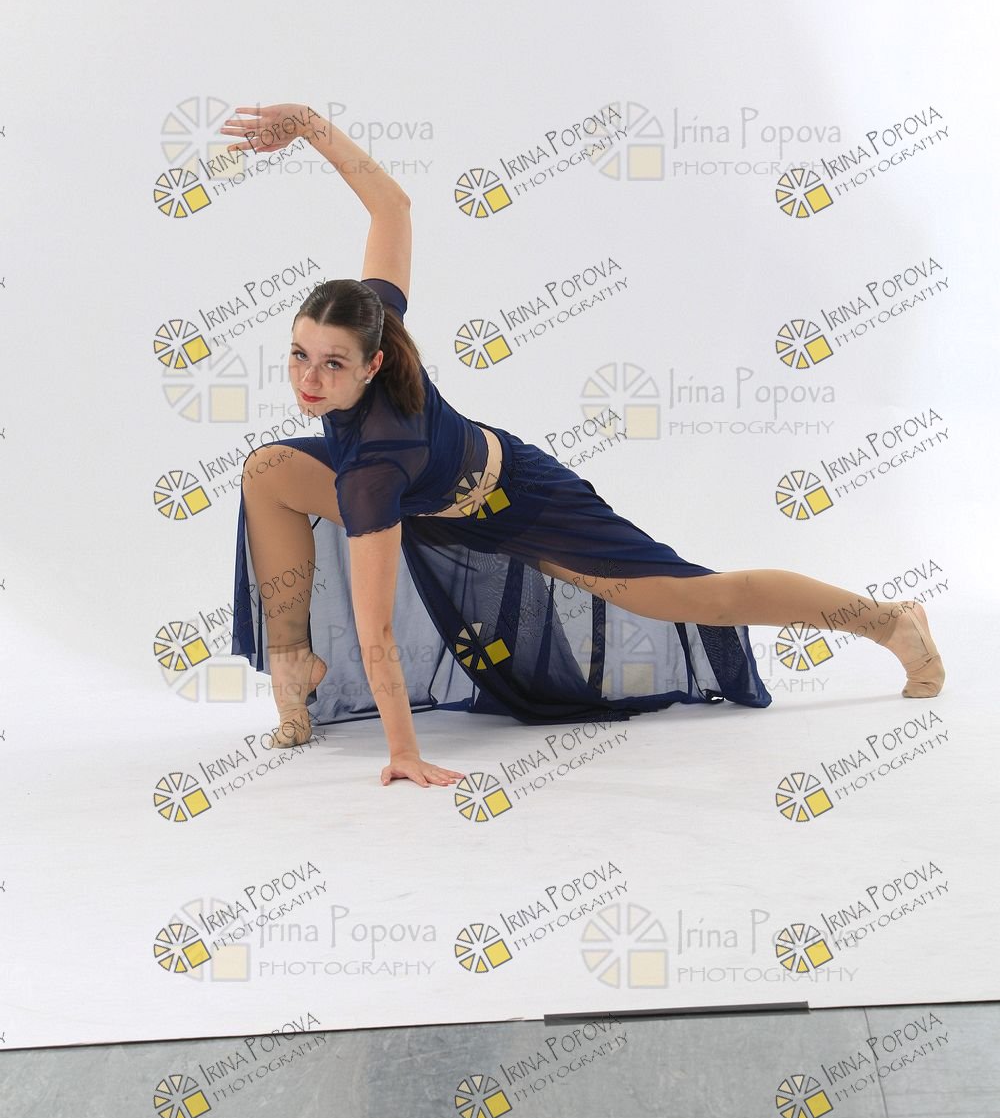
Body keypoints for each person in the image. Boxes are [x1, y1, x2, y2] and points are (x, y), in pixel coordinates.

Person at [225, 103, 944, 790]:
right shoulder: (373, 321)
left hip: (523, 501)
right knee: (269, 471)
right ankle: (294, 666)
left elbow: (377, 626)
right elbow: (392, 207)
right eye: (299, 355)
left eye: (332, 365)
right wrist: (307, 125)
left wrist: (404, 753)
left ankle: (890, 622)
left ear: (373, 362)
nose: (309, 381)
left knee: (699, 596)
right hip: (432, 496)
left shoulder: (373, 469)